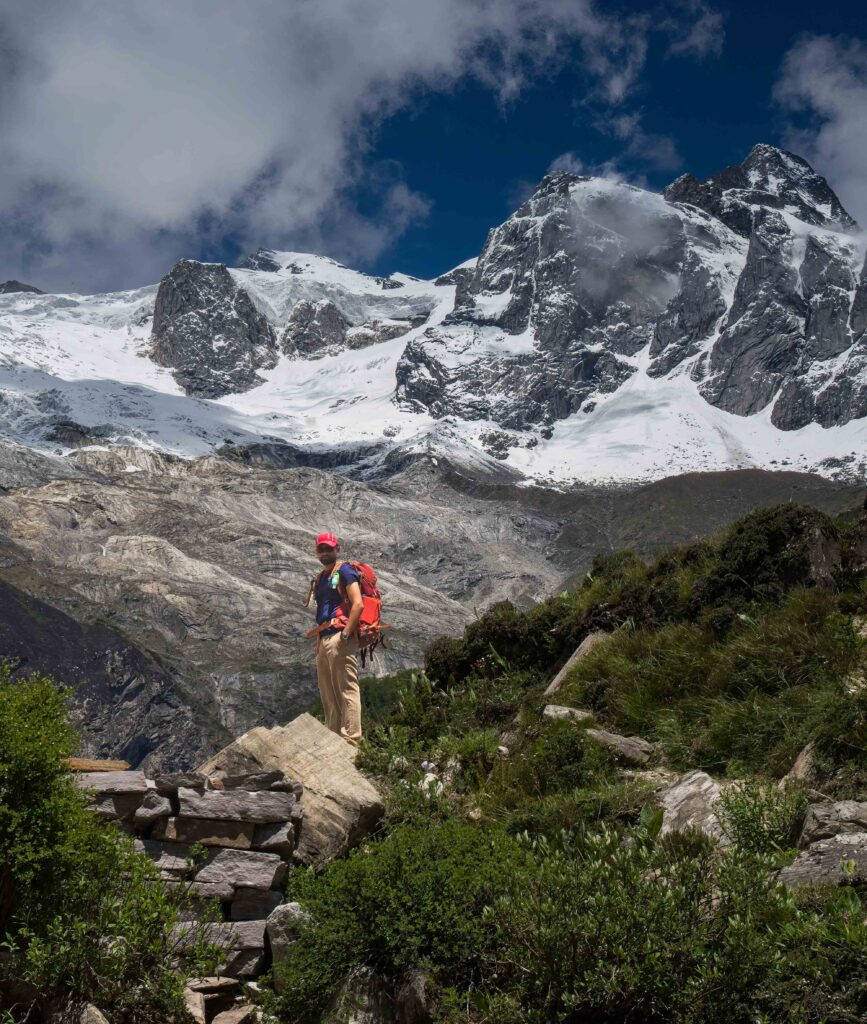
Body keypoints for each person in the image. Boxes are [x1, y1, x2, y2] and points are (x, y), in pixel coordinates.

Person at [309, 531, 364, 744]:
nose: (325, 553)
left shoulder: (345, 571)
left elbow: (357, 603)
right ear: (316, 551)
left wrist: (346, 634)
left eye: (328, 549)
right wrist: (318, 642)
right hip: (324, 638)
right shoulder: (320, 577)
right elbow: (321, 612)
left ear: (336, 549)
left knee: (346, 688)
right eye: (321, 549)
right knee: (328, 692)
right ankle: (334, 737)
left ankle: (351, 739)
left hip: (339, 635)